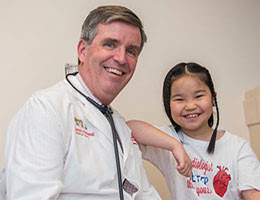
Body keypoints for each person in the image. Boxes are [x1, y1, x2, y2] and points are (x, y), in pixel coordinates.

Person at [0, 5, 193, 200]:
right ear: (83, 50)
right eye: (110, 44)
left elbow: (142, 193)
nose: (121, 58)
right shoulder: (47, 108)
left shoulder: (119, 126)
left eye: (131, 51)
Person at [127, 62, 260, 200]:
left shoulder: (237, 147)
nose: (190, 106)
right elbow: (129, 128)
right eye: (179, 99)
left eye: (198, 96)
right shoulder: (168, 140)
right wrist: (175, 145)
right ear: (168, 104)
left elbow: (253, 194)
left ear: (213, 98)